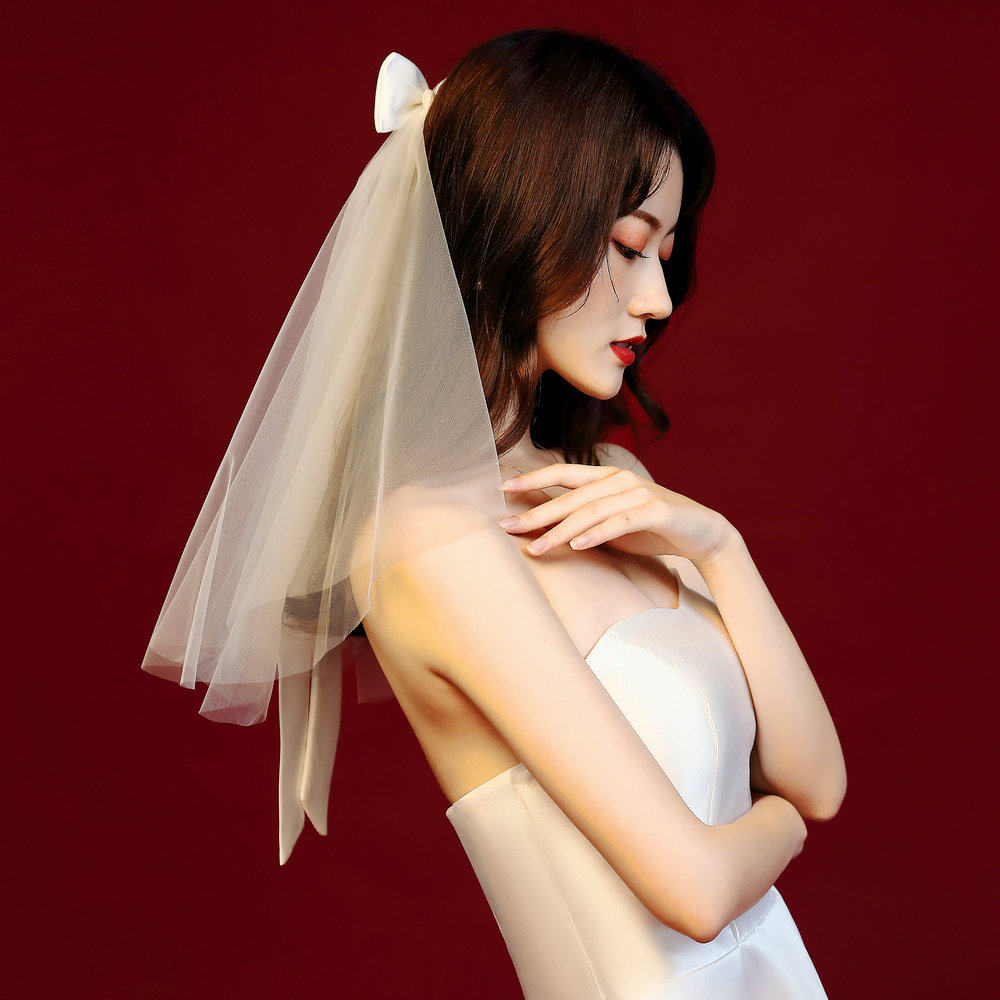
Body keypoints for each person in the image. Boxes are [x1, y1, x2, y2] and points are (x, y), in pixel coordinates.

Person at [143, 28, 845, 999]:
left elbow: (820, 778)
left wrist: (720, 546)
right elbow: (695, 889)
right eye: (628, 246)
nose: (657, 298)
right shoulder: (429, 542)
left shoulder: (606, 480)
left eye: (666, 253)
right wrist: (783, 822)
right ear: (515, 228)